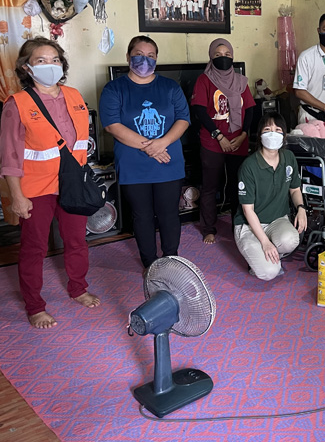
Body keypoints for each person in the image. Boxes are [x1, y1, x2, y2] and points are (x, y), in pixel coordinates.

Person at [0, 37, 100, 329]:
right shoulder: (17, 104)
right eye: (41, 60)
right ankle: (35, 306)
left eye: (55, 60)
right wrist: (17, 196)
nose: (50, 65)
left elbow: (80, 144)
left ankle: (78, 288)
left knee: (77, 241)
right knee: (34, 248)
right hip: (36, 189)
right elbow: (10, 155)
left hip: (73, 184)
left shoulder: (74, 96)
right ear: (27, 67)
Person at [100, 36, 191, 271]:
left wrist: (163, 143)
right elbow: (112, 125)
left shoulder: (170, 87)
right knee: (142, 215)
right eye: (139, 55)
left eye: (151, 56)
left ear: (157, 59)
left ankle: (171, 259)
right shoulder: (114, 89)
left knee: (169, 214)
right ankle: (149, 263)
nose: (145, 60)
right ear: (128, 57)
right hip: (133, 165)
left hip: (168, 161)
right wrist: (151, 147)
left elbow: (183, 119)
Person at [191, 38, 255, 245]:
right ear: (211, 57)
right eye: (218, 55)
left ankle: (239, 226)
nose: (223, 58)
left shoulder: (241, 81)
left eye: (227, 55)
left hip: (239, 141)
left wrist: (243, 135)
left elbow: (250, 109)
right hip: (213, 142)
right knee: (210, 187)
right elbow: (200, 111)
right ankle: (208, 228)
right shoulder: (204, 80)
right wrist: (219, 136)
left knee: (239, 186)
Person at [234, 112, 307, 280]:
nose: (273, 134)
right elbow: (247, 210)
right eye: (267, 130)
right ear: (260, 135)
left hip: (276, 220)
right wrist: (265, 243)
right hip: (249, 225)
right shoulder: (249, 166)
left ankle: (267, 252)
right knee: (269, 272)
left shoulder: (288, 158)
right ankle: (261, 252)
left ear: (284, 135)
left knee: (291, 240)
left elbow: (295, 189)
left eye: (278, 130)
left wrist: (301, 208)